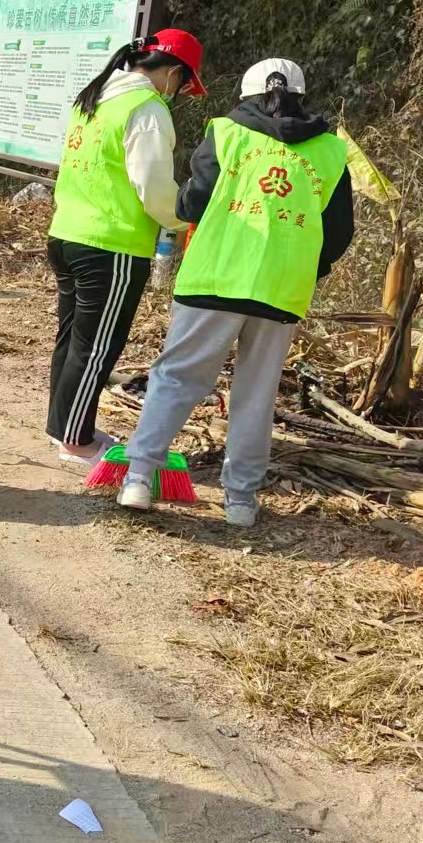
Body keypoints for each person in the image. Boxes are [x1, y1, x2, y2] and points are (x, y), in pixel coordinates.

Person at [118, 58, 353, 527]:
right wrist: (305, 266)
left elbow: (192, 200)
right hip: (280, 289)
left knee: (177, 378)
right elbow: (340, 231)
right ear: (300, 97)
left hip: (214, 279)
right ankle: (241, 502)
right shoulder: (330, 151)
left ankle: (140, 478)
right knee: (256, 395)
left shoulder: (226, 132)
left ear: (246, 95)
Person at [45, 29, 205, 465]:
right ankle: (76, 439)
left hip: (67, 233)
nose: (180, 94)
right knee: (96, 348)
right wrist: (182, 217)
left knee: (73, 339)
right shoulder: (147, 108)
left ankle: (62, 427)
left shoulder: (97, 95)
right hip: (110, 244)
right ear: (173, 73)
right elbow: (153, 187)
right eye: (184, 85)